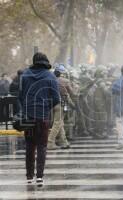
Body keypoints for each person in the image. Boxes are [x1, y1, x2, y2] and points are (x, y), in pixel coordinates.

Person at [18, 52, 60, 187]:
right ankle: (40, 177)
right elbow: (56, 98)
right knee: (42, 146)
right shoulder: (50, 76)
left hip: (28, 116)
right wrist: (47, 107)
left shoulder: (24, 75)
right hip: (42, 116)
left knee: (30, 146)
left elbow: (20, 96)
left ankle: (29, 176)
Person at [47, 64, 74, 149]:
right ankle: (50, 142)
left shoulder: (50, 80)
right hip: (60, 103)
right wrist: (73, 103)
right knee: (57, 123)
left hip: (51, 103)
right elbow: (71, 93)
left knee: (60, 123)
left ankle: (64, 142)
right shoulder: (65, 81)